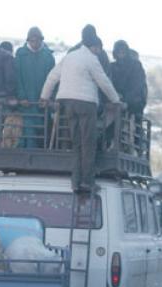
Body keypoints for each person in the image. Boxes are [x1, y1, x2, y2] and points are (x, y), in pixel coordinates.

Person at [40, 28, 121, 192]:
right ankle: (87, 182)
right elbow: (103, 81)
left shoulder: (70, 56)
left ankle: (75, 182)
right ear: (94, 46)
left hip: (68, 103)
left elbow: (52, 76)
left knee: (76, 144)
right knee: (88, 144)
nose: (99, 52)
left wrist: (44, 97)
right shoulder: (91, 59)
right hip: (86, 104)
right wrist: (116, 100)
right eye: (98, 49)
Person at [14, 27, 55, 148]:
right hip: (27, 103)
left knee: (43, 129)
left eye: (37, 40)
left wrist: (47, 98)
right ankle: (26, 157)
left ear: (41, 40)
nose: (35, 43)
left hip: (42, 103)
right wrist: (21, 97)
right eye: (32, 40)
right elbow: (17, 79)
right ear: (28, 41)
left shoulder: (48, 57)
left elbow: (52, 80)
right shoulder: (21, 56)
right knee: (28, 129)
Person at [110, 40, 148, 151]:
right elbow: (109, 83)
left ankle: (136, 147)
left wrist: (127, 101)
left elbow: (137, 86)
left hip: (133, 103)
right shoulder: (113, 67)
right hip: (117, 100)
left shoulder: (136, 67)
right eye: (118, 52)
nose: (121, 54)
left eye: (123, 52)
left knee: (135, 125)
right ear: (115, 53)